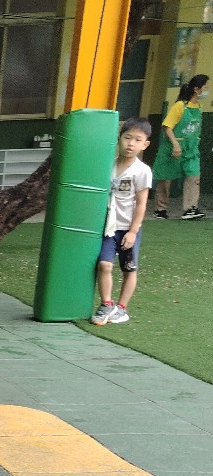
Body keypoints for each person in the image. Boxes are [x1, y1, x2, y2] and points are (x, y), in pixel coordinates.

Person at [91, 118, 153, 326]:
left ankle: (122, 308)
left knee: (129, 269)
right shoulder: (108, 165)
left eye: (137, 140)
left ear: (145, 144)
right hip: (108, 227)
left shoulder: (142, 171)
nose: (131, 143)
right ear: (119, 139)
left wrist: (133, 231)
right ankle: (106, 304)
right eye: (127, 138)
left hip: (128, 228)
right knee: (104, 264)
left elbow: (141, 204)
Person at [151, 74, 208, 220]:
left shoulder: (199, 107)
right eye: (205, 86)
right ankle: (160, 209)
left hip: (191, 149)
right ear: (196, 89)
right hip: (173, 147)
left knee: (193, 176)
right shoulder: (179, 106)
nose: (207, 90)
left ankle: (190, 208)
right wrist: (175, 144)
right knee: (165, 177)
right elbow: (167, 126)